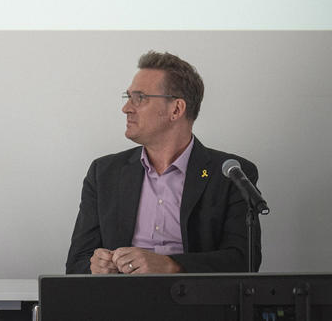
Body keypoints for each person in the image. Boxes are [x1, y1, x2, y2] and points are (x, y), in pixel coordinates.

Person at [66, 51, 261, 274]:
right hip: (121, 301)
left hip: (194, 302)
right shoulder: (104, 173)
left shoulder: (230, 173)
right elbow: (75, 264)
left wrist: (172, 264)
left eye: (139, 98)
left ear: (176, 109)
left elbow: (244, 260)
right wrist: (95, 268)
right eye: (128, 97)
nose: (126, 108)